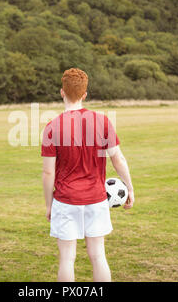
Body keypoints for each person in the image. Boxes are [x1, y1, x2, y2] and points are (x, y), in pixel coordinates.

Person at [41, 68, 135, 282]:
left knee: (67, 259)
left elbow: (48, 172)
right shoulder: (102, 121)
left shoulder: (51, 127)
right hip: (96, 199)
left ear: (61, 92)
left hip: (65, 200)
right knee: (98, 255)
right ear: (85, 94)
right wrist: (129, 187)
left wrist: (49, 205)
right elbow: (117, 158)